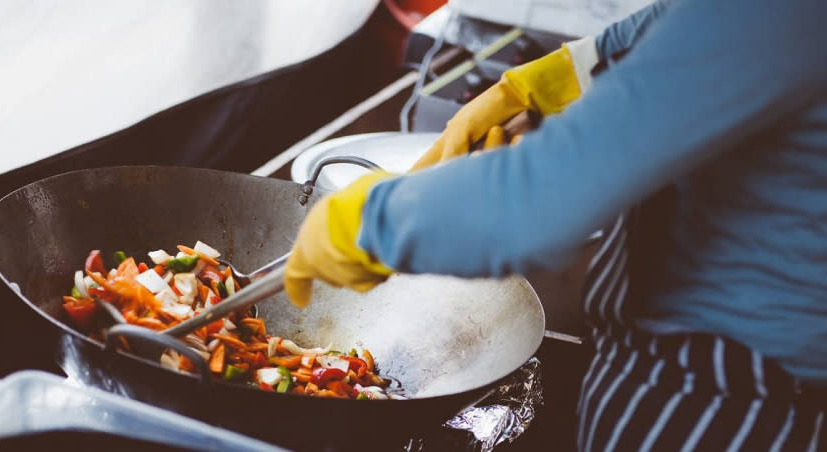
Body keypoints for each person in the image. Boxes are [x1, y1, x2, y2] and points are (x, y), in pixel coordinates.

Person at [284, 0, 827, 449]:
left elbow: (542, 200)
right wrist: (567, 73)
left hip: (726, 405)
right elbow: (689, 22)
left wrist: (370, 220)